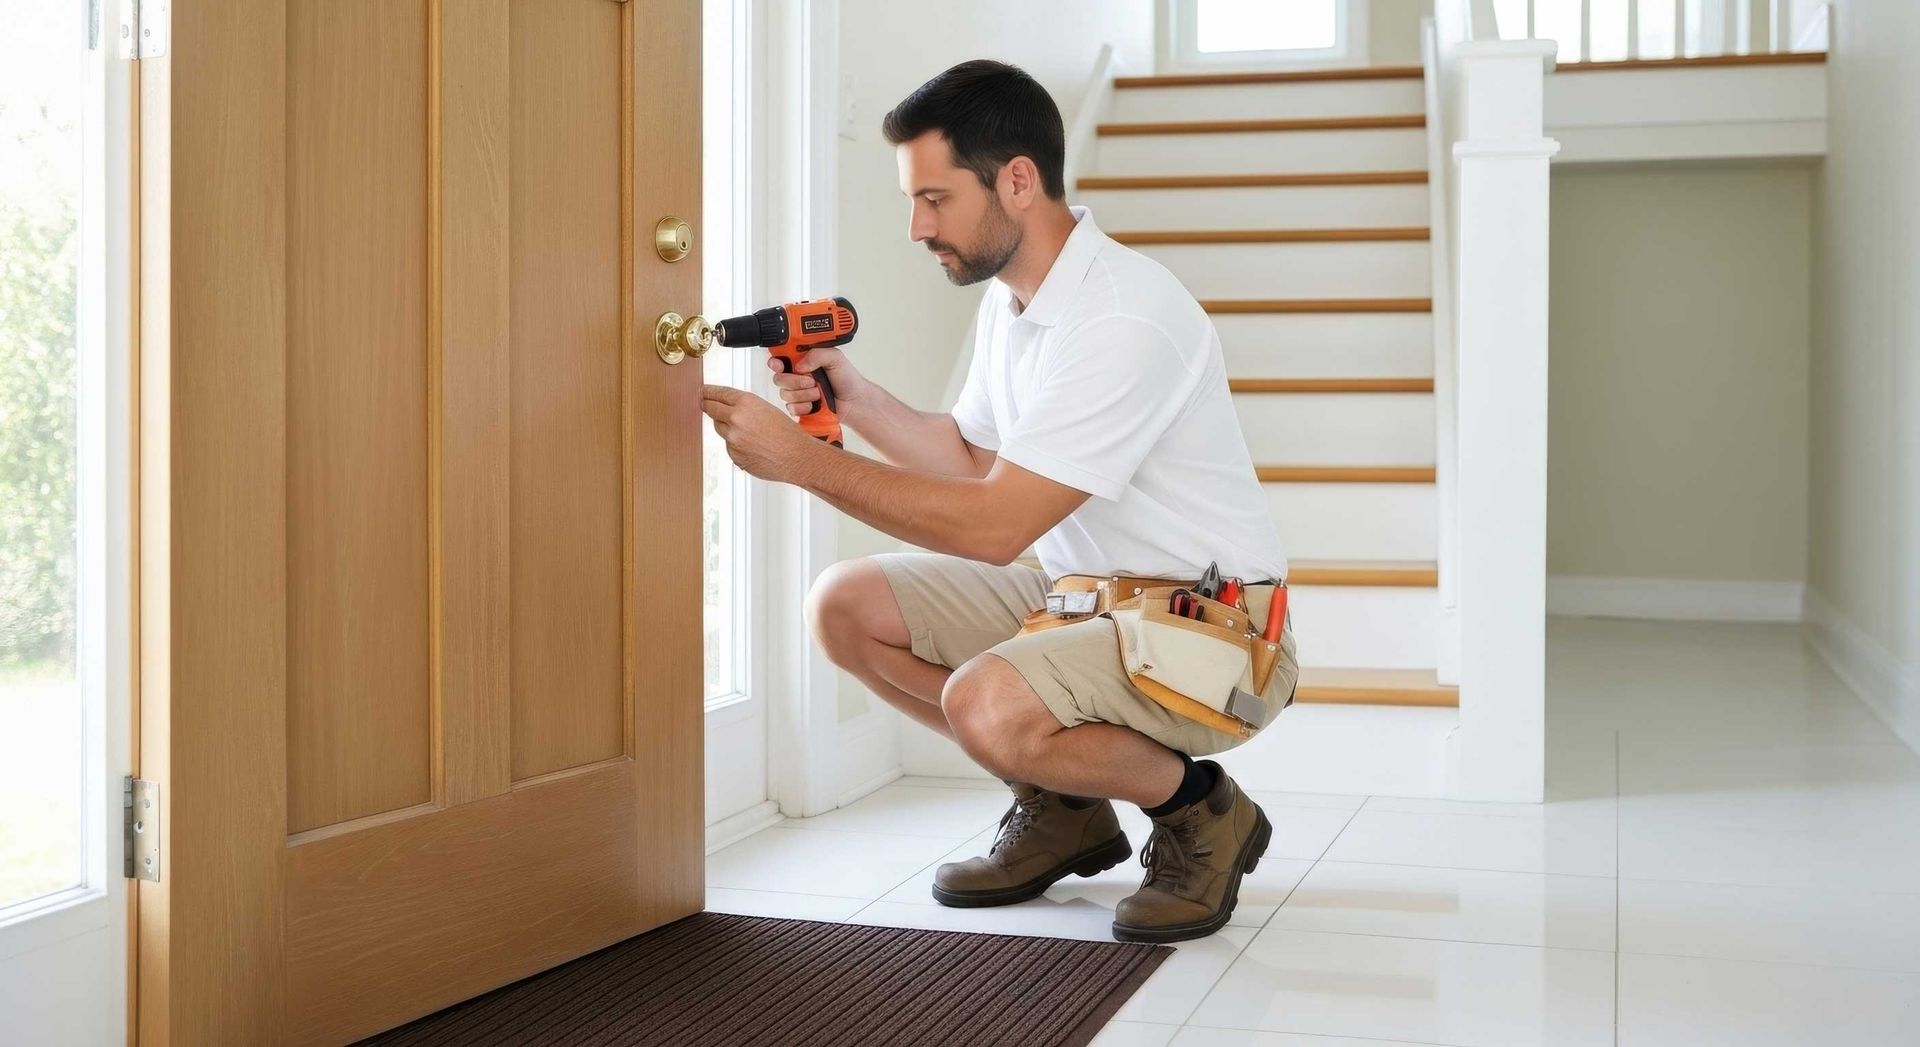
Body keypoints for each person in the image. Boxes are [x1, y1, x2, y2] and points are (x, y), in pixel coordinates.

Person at [700, 59, 1297, 944]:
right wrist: (854, 397)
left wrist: (802, 463)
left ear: (1018, 180)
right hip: (1084, 603)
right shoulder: (1015, 304)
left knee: (987, 701)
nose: (916, 227)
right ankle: (1065, 807)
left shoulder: (1125, 317)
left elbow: (994, 525)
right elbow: (974, 458)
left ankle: (1202, 811)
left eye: (935, 198)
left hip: (1217, 628)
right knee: (845, 608)